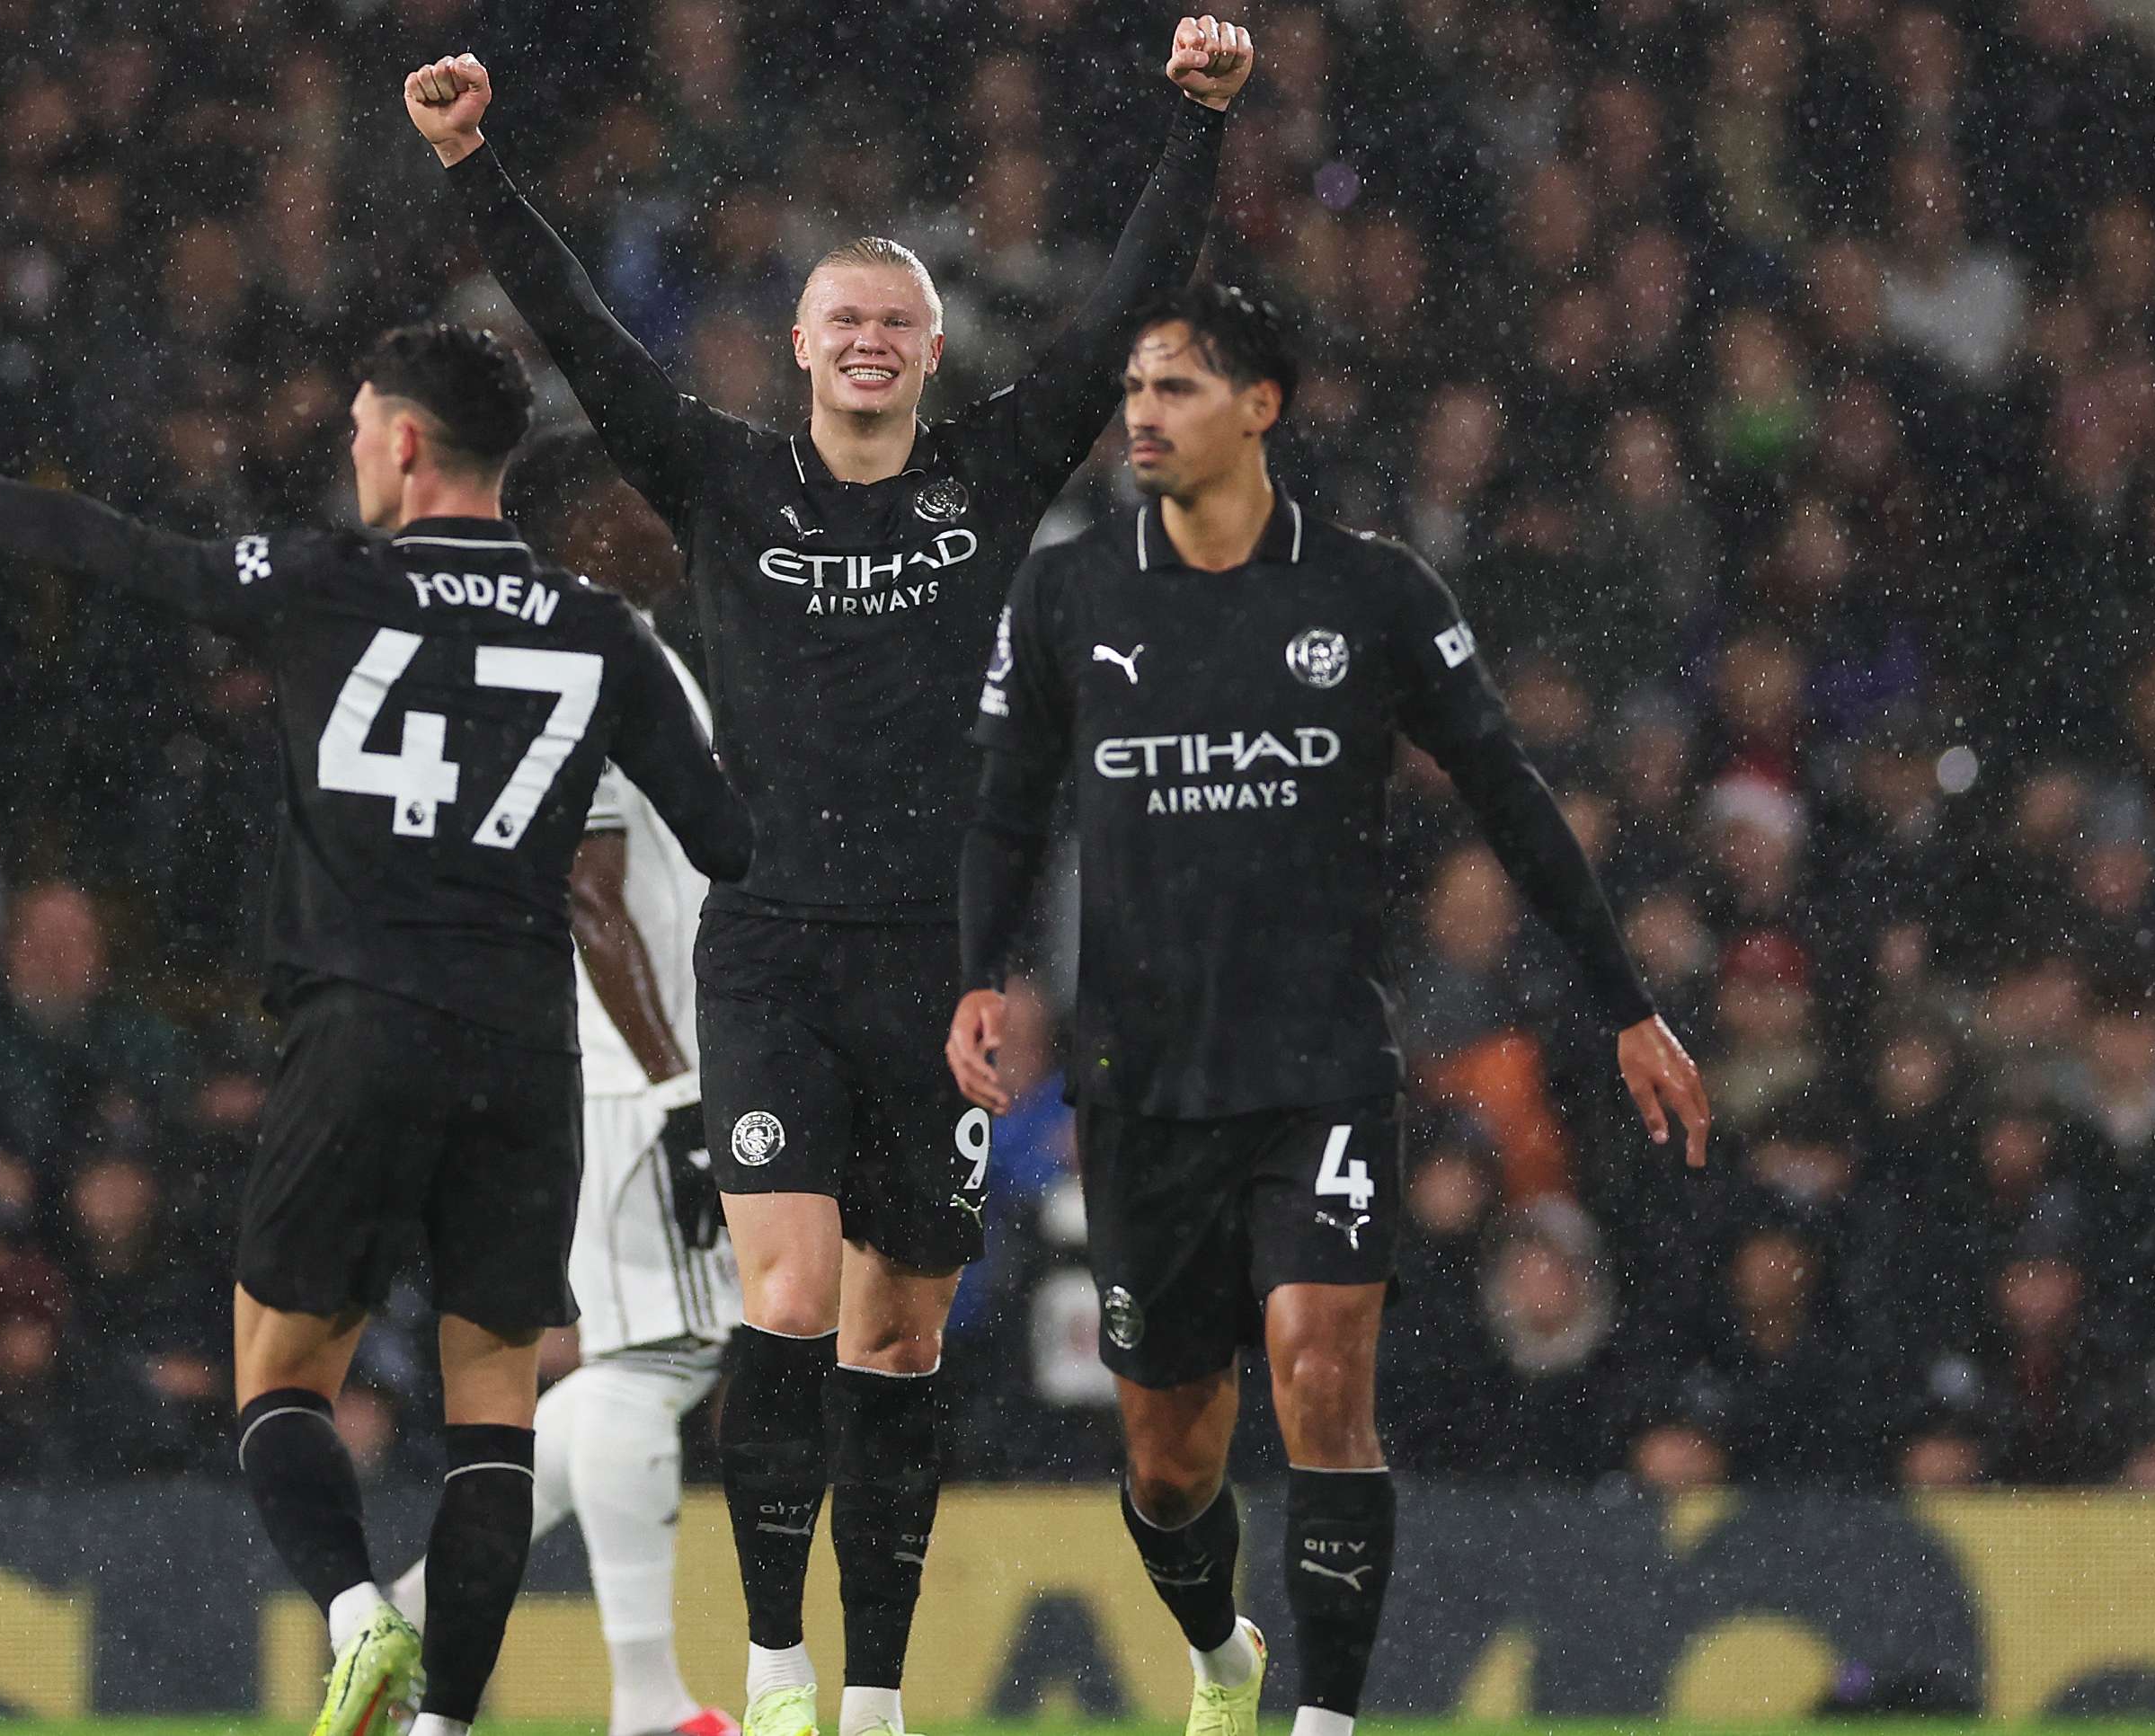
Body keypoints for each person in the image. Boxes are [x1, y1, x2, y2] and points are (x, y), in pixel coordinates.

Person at [403, 23, 1253, 1736]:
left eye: (894, 322)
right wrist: (471, 167)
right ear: (797, 347)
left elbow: (1117, 319)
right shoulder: (721, 478)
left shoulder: (985, 476)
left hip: (931, 968)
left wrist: (1196, 123)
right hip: (769, 948)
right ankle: (776, 1669)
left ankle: (871, 1695)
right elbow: (570, 324)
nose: (866, 342)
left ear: (929, 353)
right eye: (840, 319)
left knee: (895, 1343)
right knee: (782, 1303)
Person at [0, 321, 754, 1736]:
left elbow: (119, 551)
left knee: (278, 1375)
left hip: (362, 1024)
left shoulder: (327, 583)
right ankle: (443, 1725)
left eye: (366, 424)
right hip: (525, 1049)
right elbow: (731, 845)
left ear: (411, 442)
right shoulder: (605, 635)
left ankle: (361, 1615)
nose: (354, 446)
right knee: (494, 1417)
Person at [947, 285, 1709, 1736]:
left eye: (1175, 388)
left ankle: (1325, 1721)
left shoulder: (1368, 593)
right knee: (1168, 1461)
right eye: (1132, 390)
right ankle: (1220, 1657)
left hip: (1317, 1067)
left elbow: (1509, 793)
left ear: (1258, 408)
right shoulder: (1065, 593)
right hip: (1139, 1078)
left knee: (1316, 1372)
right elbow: (1001, 808)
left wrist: (1622, 1002)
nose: (1141, 414)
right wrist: (980, 974)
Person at [390, 633, 743, 1736]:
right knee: (658, 1359)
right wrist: (679, 1090)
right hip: (637, 1076)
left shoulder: (573, 654)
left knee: (638, 1367)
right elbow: (590, 898)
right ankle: (646, 1703)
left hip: (615, 1065)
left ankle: (406, 1620)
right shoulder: (580, 658)